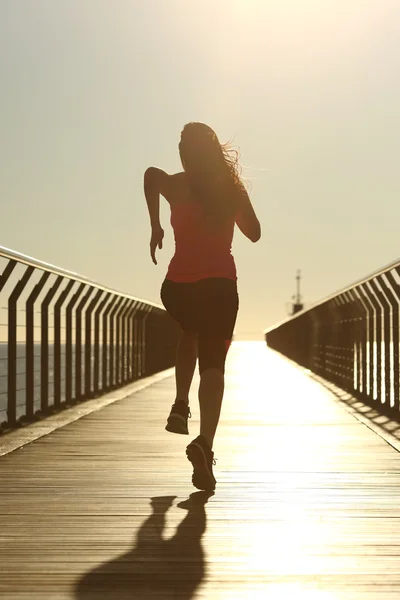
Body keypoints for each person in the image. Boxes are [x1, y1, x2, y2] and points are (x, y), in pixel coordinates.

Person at [144, 122, 261, 492]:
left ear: (184, 152)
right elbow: (254, 232)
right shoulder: (230, 190)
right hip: (220, 288)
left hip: (177, 288)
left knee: (188, 330)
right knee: (213, 366)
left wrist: (156, 226)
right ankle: (205, 444)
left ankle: (180, 403)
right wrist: (234, 202)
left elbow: (149, 175)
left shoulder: (175, 184)